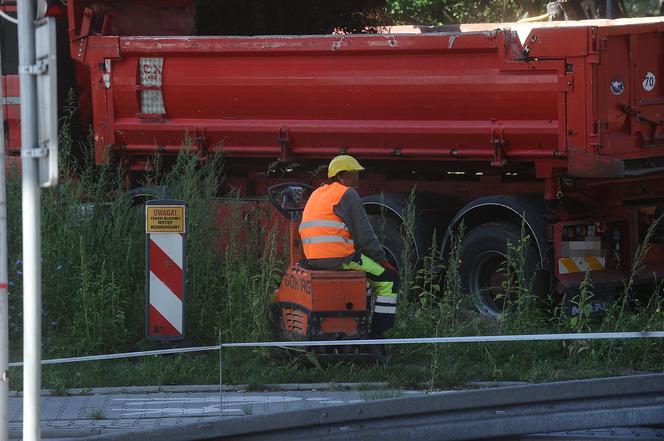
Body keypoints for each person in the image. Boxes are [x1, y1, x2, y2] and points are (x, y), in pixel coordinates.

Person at [299, 155, 400, 336]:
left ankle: (358, 324)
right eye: (355, 174)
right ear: (341, 176)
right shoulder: (347, 194)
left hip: (313, 259)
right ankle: (378, 336)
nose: (358, 178)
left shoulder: (318, 193)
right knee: (389, 280)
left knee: (367, 283)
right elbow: (365, 236)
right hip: (340, 258)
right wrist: (383, 261)